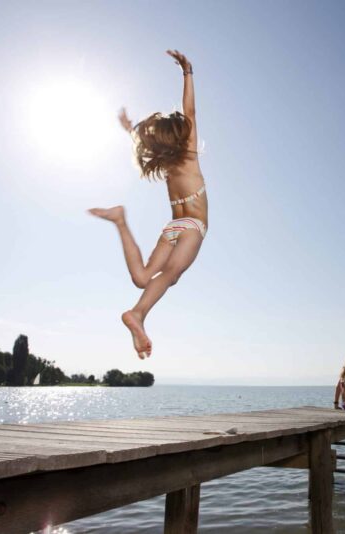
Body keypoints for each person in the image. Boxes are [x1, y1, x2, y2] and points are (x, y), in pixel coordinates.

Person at [89, 50, 207, 359]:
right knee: (169, 276)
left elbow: (154, 141)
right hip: (192, 226)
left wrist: (131, 131)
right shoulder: (189, 155)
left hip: (173, 227)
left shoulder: (167, 163)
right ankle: (137, 313)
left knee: (143, 278)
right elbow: (190, 110)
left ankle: (120, 221)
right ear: (181, 137)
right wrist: (188, 72)